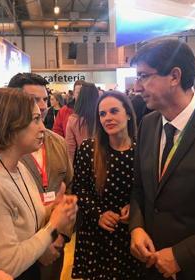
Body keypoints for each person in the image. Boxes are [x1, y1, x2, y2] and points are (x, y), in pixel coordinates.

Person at [129, 38, 195, 280]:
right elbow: (139, 188)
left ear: (174, 76)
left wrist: (182, 256)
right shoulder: (149, 124)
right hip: (149, 265)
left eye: (144, 76)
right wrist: (137, 227)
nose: (136, 87)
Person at [0, 88, 78, 279]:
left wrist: (55, 208)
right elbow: (7, 264)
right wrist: (53, 225)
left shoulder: (18, 166)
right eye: (35, 119)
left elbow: (24, 221)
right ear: (10, 124)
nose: (43, 127)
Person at [72, 91, 144, 280]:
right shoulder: (89, 148)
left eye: (114, 111)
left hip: (131, 232)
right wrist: (98, 214)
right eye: (102, 114)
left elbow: (146, 189)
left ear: (128, 114)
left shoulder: (141, 149)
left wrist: (134, 208)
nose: (108, 118)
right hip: (97, 234)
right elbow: (79, 189)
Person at [8, 72, 73, 280]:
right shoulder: (2, 150)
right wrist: (39, 246)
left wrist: (60, 236)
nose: (43, 106)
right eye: (34, 100)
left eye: (44, 99)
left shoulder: (58, 142)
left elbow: (68, 189)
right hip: (17, 253)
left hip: (56, 246)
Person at [65, 82, 99, 164]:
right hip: (102, 160)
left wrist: (69, 172)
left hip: (83, 163)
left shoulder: (73, 120)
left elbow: (70, 149)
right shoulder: (101, 117)